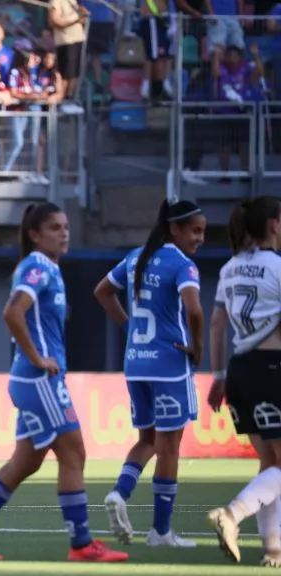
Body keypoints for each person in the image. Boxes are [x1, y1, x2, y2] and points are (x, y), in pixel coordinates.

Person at [0, 203, 129, 562]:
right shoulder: (37, 266)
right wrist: (37, 358)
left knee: (27, 461)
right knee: (73, 452)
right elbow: (12, 312)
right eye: (54, 227)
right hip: (39, 379)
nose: (64, 232)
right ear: (34, 234)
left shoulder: (48, 268)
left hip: (33, 380)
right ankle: (81, 544)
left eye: (65, 226)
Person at [94, 199, 206, 548]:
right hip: (169, 366)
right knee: (169, 447)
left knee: (148, 441)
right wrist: (198, 348)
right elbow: (195, 310)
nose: (201, 238)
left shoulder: (135, 257)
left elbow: (102, 291)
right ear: (175, 229)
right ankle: (160, 531)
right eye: (196, 230)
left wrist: (127, 326)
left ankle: (119, 493)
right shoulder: (182, 264)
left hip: (136, 363)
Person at [206, 198, 281, 567]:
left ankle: (273, 550)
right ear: (274, 226)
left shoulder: (230, 268)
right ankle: (232, 514)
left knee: (270, 462)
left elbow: (217, 323)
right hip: (272, 367)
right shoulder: (278, 267)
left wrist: (218, 376)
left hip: (238, 370)